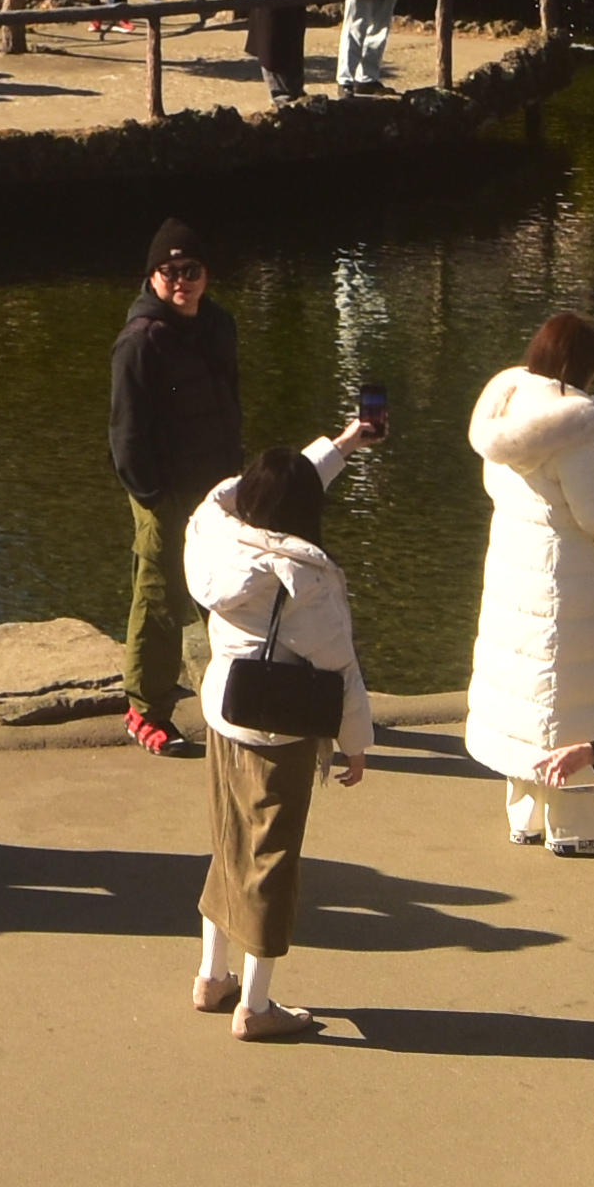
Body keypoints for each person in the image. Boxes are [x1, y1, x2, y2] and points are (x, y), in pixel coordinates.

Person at [186, 425, 374, 1040]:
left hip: (225, 711)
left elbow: (238, 493)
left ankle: (213, 977)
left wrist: (340, 446)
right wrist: (355, 744)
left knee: (230, 843)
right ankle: (257, 1006)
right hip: (280, 731)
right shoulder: (304, 577)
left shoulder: (216, 539)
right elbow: (338, 667)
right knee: (272, 860)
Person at [468, 307, 594, 851]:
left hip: (512, 563)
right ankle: (577, 829)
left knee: (522, 693)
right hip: (560, 574)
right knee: (567, 699)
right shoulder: (573, 430)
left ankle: (525, 816)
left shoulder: (506, 411)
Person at [111, 223, 247, 751]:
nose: (181, 282)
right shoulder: (139, 342)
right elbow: (125, 435)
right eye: (169, 273)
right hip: (163, 490)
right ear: (153, 276)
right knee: (159, 593)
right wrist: (152, 497)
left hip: (217, 486)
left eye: (191, 271)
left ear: (207, 275)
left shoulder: (219, 326)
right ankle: (146, 709)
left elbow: (229, 403)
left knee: (232, 587)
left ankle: (237, 699)